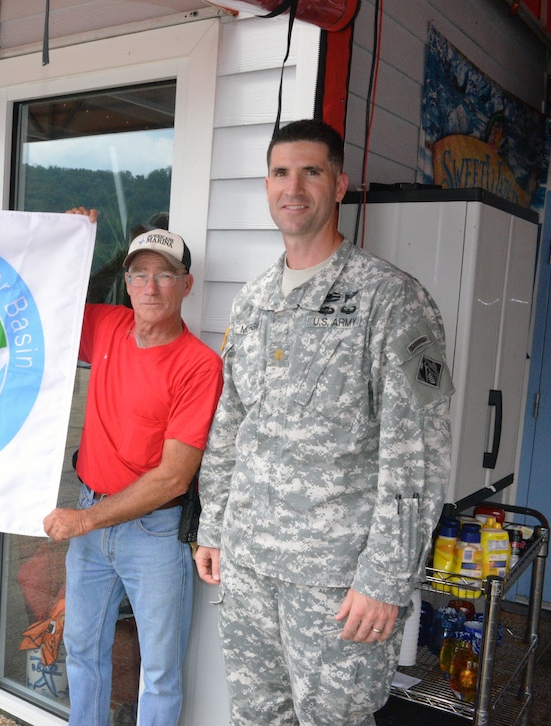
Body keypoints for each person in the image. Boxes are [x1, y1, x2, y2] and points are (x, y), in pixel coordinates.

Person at [193, 119, 453, 725]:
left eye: (311, 171)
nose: (295, 187)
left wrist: (387, 580)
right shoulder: (254, 299)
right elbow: (232, 423)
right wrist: (213, 527)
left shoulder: (392, 299)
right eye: (282, 173)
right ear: (266, 186)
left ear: (339, 185)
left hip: (338, 584)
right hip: (251, 564)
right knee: (258, 718)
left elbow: (417, 453)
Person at [44, 218, 224, 726]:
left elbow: (173, 477)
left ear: (186, 285)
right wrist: (70, 238)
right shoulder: (106, 325)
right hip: (90, 512)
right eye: (139, 274)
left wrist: (86, 520)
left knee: (160, 671)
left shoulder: (199, 365)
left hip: (155, 532)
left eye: (165, 275)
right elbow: (44, 302)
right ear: (125, 282)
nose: (150, 286)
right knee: (82, 651)